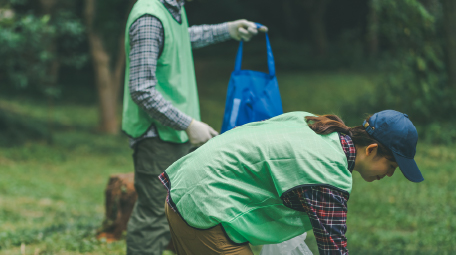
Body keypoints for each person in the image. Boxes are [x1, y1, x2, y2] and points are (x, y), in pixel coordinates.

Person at [159, 110, 424, 255]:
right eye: (392, 166)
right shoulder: (329, 176)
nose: (389, 175)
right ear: (371, 149)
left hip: (185, 185)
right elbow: (334, 250)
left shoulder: (315, 124)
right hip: (203, 207)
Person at [121, 0, 268, 254]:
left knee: (183, 214)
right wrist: (187, 124)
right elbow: (141, 89)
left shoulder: (173, 8)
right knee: (155, 217)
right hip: (157, 137)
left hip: (175, 133)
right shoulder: (149, 16)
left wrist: (228, 30)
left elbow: (182, 38)